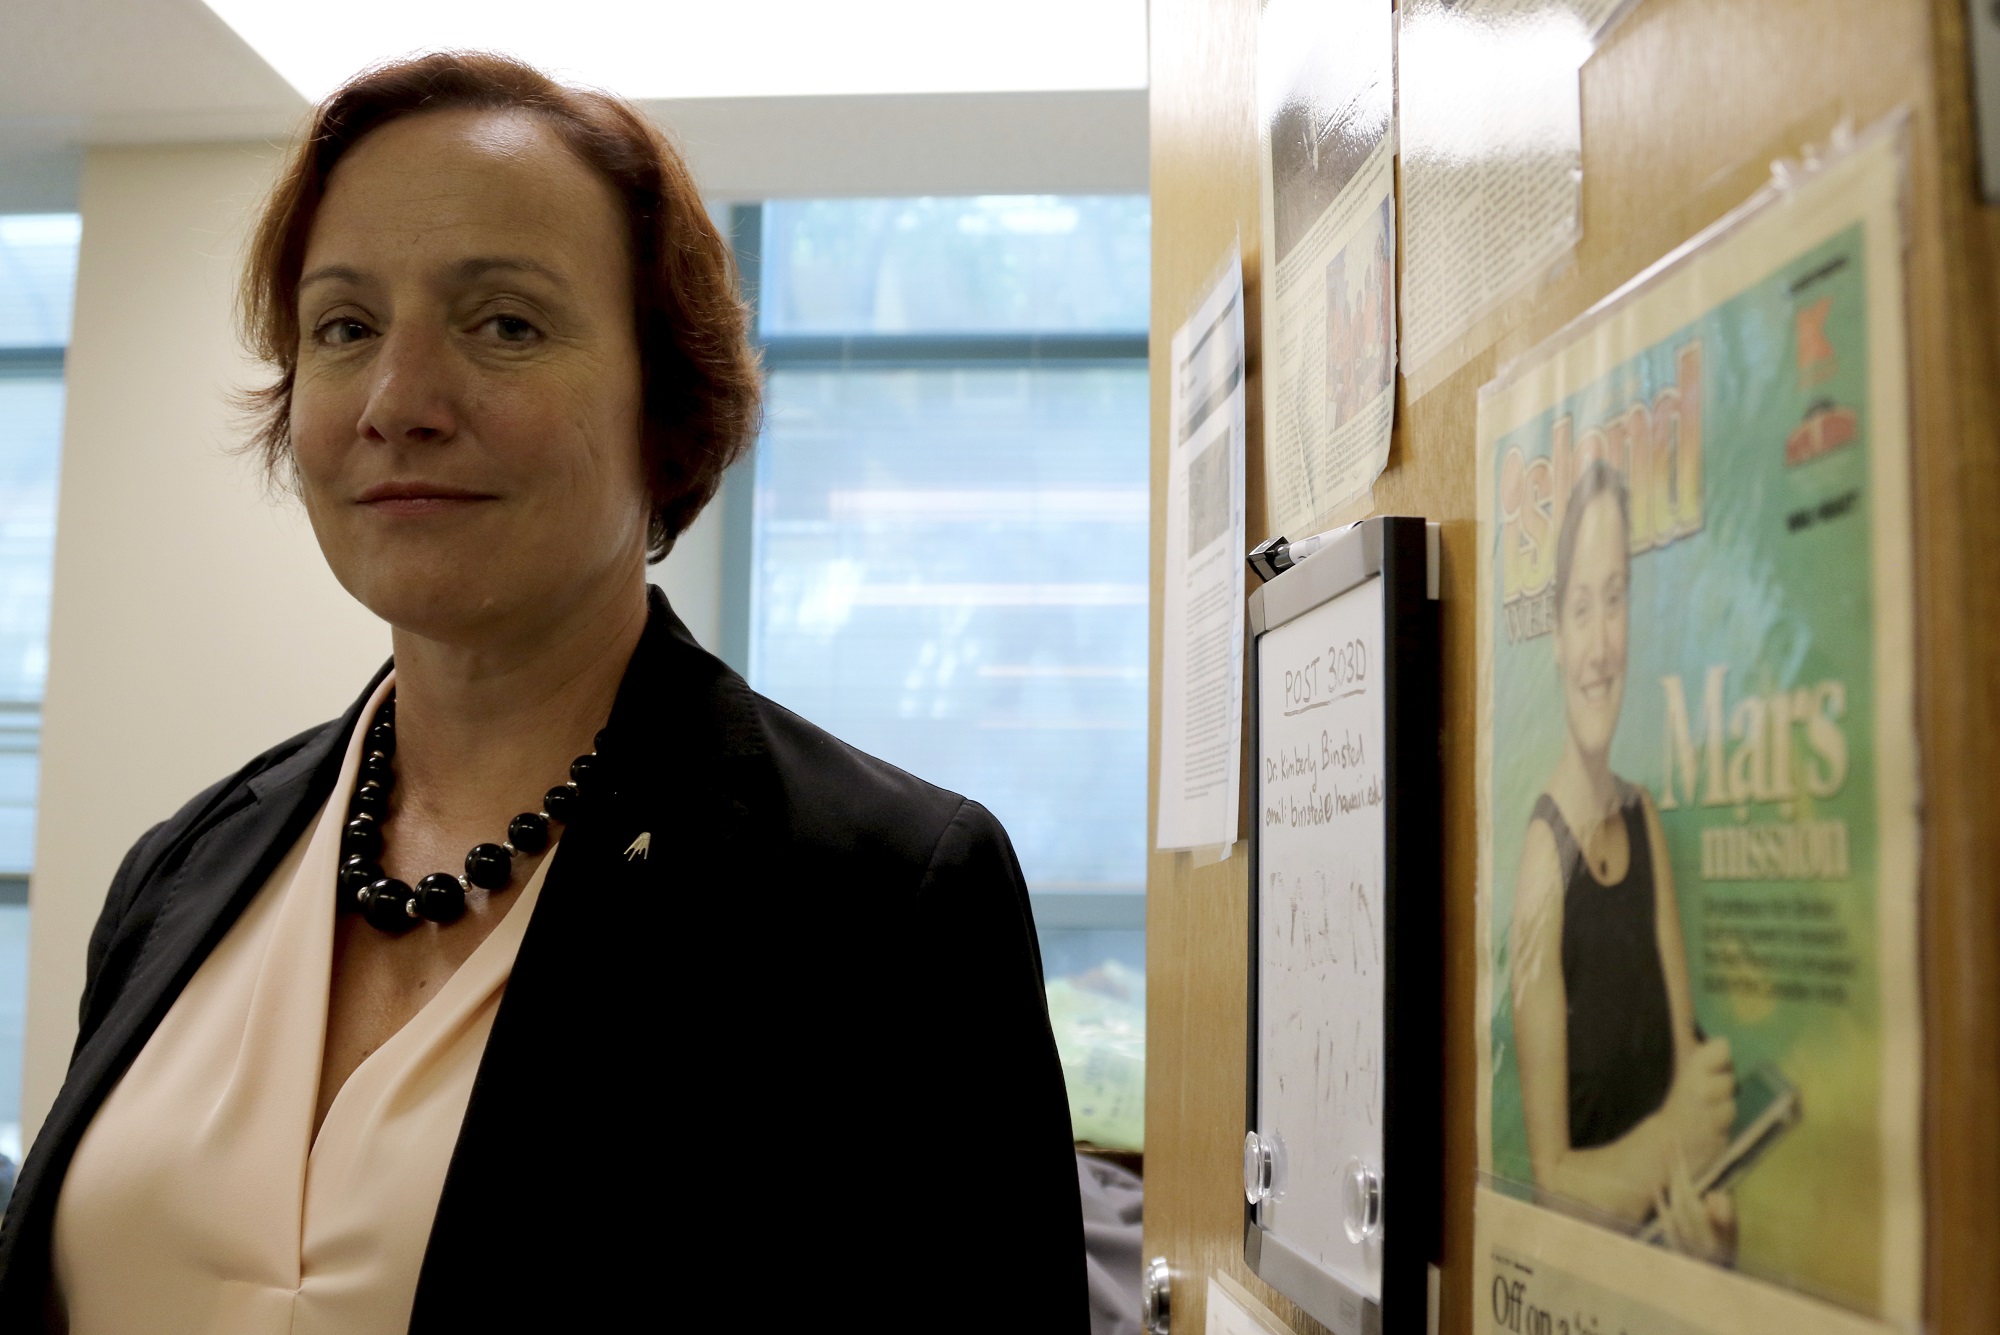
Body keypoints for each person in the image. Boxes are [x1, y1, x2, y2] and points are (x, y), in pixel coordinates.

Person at [0, 52, 1084, 1332]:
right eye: (343, 329)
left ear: (665, 405)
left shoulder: (884, 894)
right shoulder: (177, 870)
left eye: (504, 324)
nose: (397, 404)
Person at [1509, 460, 1737, 1258]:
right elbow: (1550, 1186)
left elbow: (1690, 1096)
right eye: (1580, 608)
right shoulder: (1545, 862)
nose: (1602, 643)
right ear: (1556, 639)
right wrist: (1675, 1144)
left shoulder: (1645, 822)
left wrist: (1711, 1221)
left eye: (1616, 600)